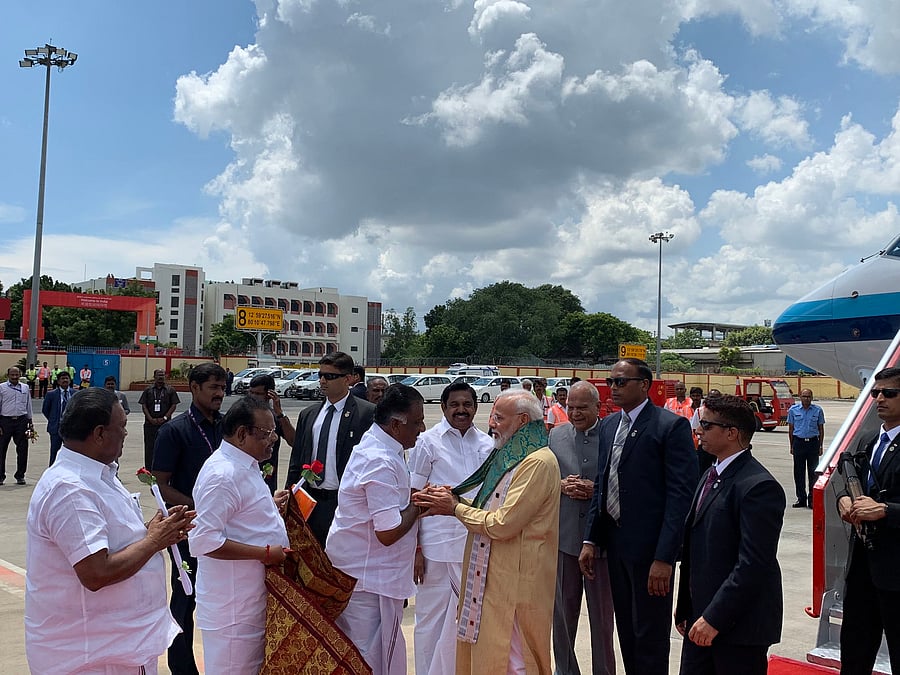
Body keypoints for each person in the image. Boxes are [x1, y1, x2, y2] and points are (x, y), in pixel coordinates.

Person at [25, 387, 193, 674]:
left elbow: (111, 543)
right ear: (100, 433)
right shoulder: (70, 489)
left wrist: (150, 531)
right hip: (92, 656)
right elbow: (96, 572)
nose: (126, 434)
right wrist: (153, 541)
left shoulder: (99, 474)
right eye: (122, 426)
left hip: (118, 647)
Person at [414, 389, 561, 674]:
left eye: (498, 417)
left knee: (515, 660)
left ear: (521, 420)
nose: (491, 423)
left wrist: (455, 509)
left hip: (517, 582)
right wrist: (455, 501)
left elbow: (502, 523)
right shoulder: (512, 457)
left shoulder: (537, 462)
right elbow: (491, 510)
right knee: (491, 654)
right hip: (494, 576)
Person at [579, 358, 697, 675]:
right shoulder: (607, 426)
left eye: (621, 382)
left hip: (651, 552)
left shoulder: (669, 426)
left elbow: (679, 498)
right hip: (616, 545)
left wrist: (664, 558)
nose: (613, 388)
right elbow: (603, 485)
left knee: (650, 635)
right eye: (611, 382)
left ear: (644, 385)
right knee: (628, 631)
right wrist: (590, 538)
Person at [674, 394, 785, 674]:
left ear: (732, 433)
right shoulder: (712, 473)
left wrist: (714, 618)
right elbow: (696, 548)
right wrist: (687, 608)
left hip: (737, 626)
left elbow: (753, 565)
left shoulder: (758, 487)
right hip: (701, 618)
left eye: (706, 424)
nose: (698, 429)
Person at [326, 384, 426, 674]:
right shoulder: (378, 460)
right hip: (367, 582)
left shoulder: (382, 446)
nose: (422, 428)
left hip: (367, 575)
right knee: (368, 660)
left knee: (378, 657)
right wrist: (419, 505)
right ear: (396, 424)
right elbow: (388, 532)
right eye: (417, 422)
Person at [189, 395, 291, 674]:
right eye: (267, 433)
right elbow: (202, 541)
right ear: (242, 434)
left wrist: (270, 507)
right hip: (233, 610)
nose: (274, 440)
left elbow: (239, 518)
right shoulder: (223, 475)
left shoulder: (245, 465)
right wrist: (266, 553)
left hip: (250, 601)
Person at [408, 382, 493, 675]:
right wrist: (416, 549)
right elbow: (413, 496)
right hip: (436, 547)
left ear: (475, 407)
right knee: (430, 621)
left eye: (467, 404)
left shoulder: (488, 445)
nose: (461, 410)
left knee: (465, 623)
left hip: (475, 545)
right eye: (454, 405)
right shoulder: (427, 443)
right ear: (443, 408)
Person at [152, 362, 227, 675]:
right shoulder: (174, 431)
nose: (219, 394)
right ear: (193, 388)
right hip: (189, 529)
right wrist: (200, 505)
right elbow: (161, 484)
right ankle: (182, 667)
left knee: (223, 597)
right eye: (213, 387)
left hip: (225, 527)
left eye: (222, 388)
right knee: (186, 596)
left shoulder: (228, 427)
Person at [548, 381, 616, 675]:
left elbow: (626, 483)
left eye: (582, 408)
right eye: (570, 407)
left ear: (597, 408)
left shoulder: (613, 435)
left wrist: (595, 491)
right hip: (564, 540)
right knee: (562, 619)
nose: (574, 413)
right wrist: (559, 485)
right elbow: (542, 477)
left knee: (602, 621)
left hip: (601, 543)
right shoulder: (556, 435)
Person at [837, 366, 900, 674]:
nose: (879, 399)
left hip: (897, 570)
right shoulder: (868, 441)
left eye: (889, 393)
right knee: (855, 649)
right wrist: (843, 502)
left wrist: (886, 509)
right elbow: (847, 485)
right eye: (876, 393)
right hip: (863, 566)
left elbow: (883, 504)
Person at [284, 351, 376, 546]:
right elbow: (296, 460)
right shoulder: (308, 415)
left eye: (330, 376)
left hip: (345, 503)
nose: (323, 380)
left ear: (348, 379)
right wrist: (289, 500)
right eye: (321, 375)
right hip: (312, 501)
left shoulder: (366, 414)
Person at [247, 372, 297, 494]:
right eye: (251, 393)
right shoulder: (241, 415)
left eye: (258, 394)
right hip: (244, 478)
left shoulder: (275, 418)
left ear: (269, 395)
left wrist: (279, 413)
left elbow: (294, 441)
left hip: (266, 482)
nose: (253, 397)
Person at [787, 388, 825, 509]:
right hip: (799, 442)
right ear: (800, 397)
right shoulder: (793, 410)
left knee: (813, 473)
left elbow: (821, 429)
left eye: (808, 396)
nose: (806, 399)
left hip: (813, 443)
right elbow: (791, 429)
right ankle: (801, 499)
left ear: (812, 398)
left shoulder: (818, 410)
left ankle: (812, 499)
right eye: (804, 396)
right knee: (799, 472)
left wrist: (820, 445)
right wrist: (792, 445)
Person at [0, 366, 35, 486]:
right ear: (8, 375)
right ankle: (0, 476)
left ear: (20, 375)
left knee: (22, 449)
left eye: (17, 375)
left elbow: (28, 405)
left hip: (21, 421)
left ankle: (20, 475)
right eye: (12, 375)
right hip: (5, 421)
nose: (15, 377)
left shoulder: (25, 388)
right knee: (1, 449)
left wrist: (30, 422)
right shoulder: (2, 388)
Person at [139, 369, 180, 470]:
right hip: (150, 425)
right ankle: (149, 470)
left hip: (166, 424)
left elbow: (174, 405)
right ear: (154, 376)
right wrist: (150, 419)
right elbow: (144, 405)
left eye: (162, 375)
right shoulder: (148, 390)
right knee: (150, 448)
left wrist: (165, 417)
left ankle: (165, 469)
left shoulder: (170, 390)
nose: (160, 377)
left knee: (166, 447)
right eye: (158, 375)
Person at [42, 371, 76, 465]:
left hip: (71, 429)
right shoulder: (51, 394)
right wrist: (53, 420)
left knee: (72, 453)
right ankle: (52, 472)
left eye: (66, 378)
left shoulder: (75, 393)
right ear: (58, 381)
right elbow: (45, 410)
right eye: (62, 379)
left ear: (70, 380)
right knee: (54, 452)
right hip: (56, 428)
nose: (65, 380)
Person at [692, 388, 720, 474]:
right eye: (711, 397)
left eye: (716, 398)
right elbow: (694, 429)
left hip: (719, 446)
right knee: (702, 471)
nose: (713, 400)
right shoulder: (699, 411)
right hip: (704, 446)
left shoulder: (724, 413)